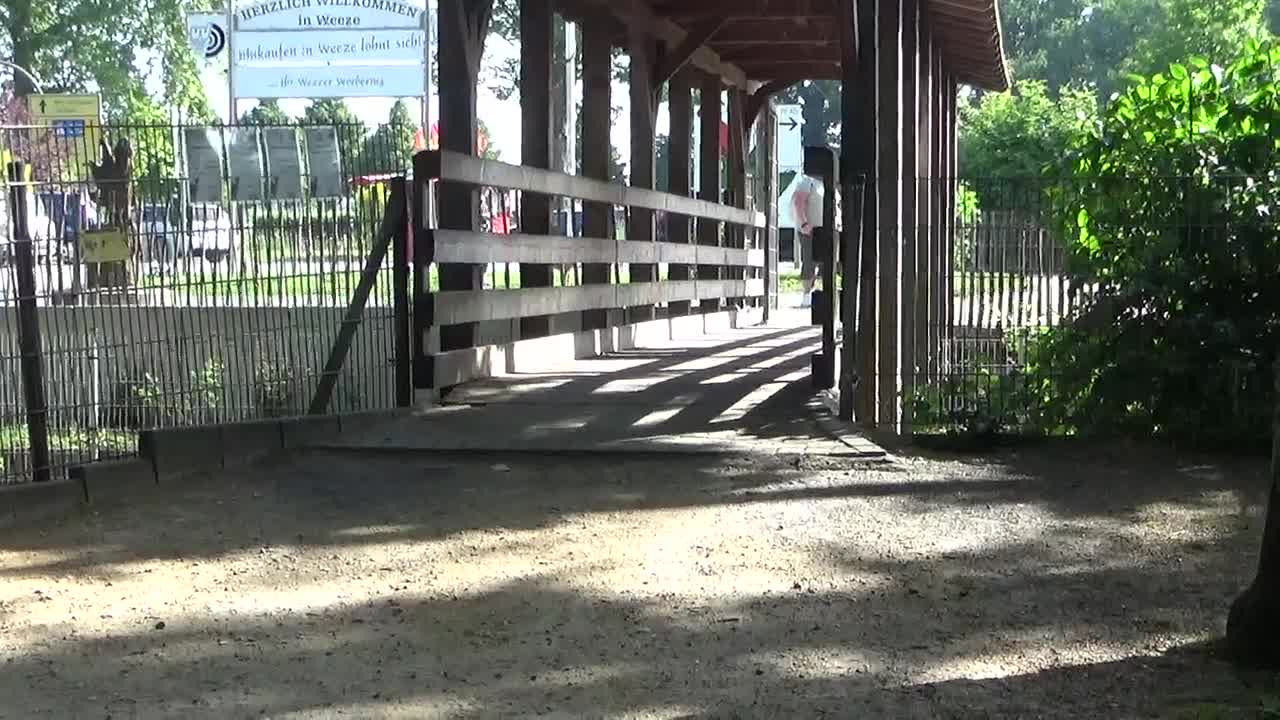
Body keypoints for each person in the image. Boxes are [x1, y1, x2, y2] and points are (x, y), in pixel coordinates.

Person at [789, 173, 825, 307]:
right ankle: (806, 295)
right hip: (809, 229)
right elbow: (799, 201)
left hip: (824, 229)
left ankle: (821, 294)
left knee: (824, 262)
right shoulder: (807, 182)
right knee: (809, 260)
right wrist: (804, 223)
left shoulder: (825, 182)